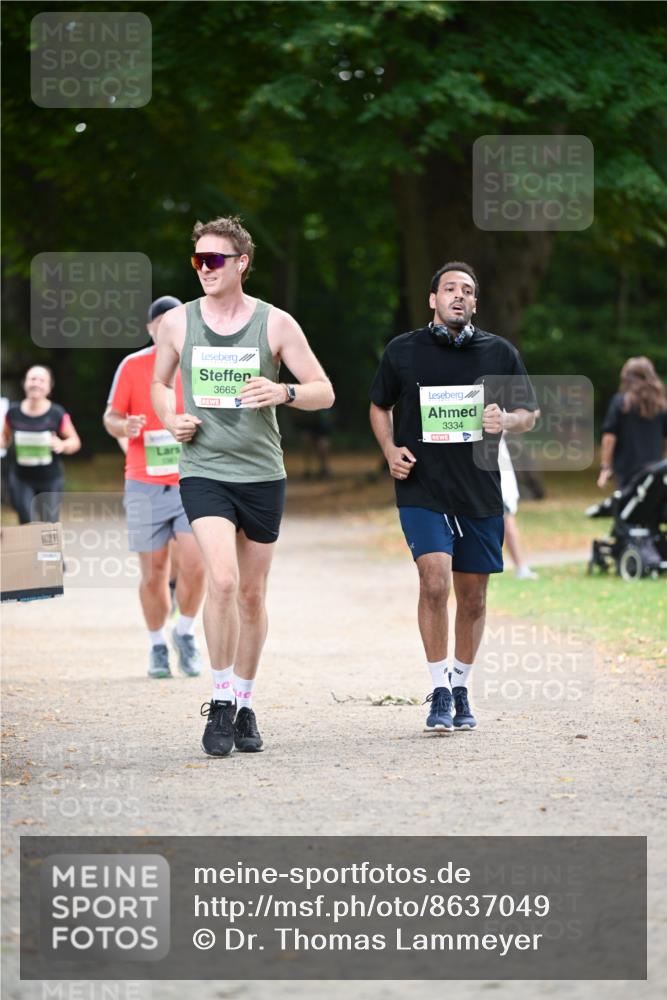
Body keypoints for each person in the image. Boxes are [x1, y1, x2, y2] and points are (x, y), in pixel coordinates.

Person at [151, 215, 334, 757]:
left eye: (215, 260)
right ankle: (221, 700)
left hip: (262, 473)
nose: (205, 269)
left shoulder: (275, 324)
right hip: (204, 470)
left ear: (241, 264)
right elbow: (160, 385)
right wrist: (170, 419)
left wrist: (284, 393)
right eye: (198, 260)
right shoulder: (178, 324)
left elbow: (323, 389)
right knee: (224, 582)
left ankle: (248, 702)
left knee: (253, 596)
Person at [369, 262, 537, 735]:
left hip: (480, 491)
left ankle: (461, 685)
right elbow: (379, 404)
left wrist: (506, 420)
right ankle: (438, 688)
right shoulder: (403, 351)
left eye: (467, 291)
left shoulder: (499, 352)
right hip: (421, 487)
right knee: (434, 581)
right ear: (433, 299)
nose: (458, 296)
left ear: (475, 303)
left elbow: (530, 412)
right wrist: (389, 449)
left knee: (475, 598)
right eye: (449, 289)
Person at [104, 296, 206, 680]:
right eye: (159, 323)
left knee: (196, 565)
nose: (166, 328)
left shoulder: (199, 363)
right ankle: (157, 645)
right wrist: (122, 427)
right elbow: (111, 416)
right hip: (144, 481)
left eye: (173, 321)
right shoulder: (132, 366)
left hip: (193, 478)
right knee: (153, 572)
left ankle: (185, 632)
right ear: (149, 330)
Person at [2, 365, 81, 523]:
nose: (36, 383)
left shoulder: (56, 412)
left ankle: (50, 549)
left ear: (48, 387)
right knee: (26, 521)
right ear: (25, 383)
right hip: (21, 478)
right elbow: (4, 440)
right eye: (32, 379)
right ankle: (30, 549)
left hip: (50, 479)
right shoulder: (12, 412)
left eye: (41, 380)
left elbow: (75, 442)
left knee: (49, 523)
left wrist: (62, 445)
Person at [597, 356, 667, 491]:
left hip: (626, 469)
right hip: (654, 469)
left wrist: (605, 467)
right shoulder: (661, 406)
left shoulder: (620, 402)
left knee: (627, 506)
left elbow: (609, 437)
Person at [499, 430, 539, 580]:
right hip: (492, 478)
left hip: (500, 475)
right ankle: (520, 566)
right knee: (508, 523)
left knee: (508, 521)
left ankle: (521, 566)